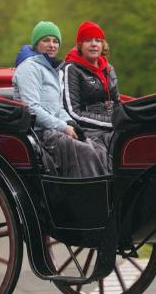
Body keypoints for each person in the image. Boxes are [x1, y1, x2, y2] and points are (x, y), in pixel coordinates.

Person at [12, 21, 107, 177]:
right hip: (39, 132)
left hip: (55, 128)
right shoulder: (29, 68)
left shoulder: (54, 69)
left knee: (98, 148)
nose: (52, 45)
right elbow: (32, 108)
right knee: (86, 151)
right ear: (36, 43)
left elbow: (58, 108)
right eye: (46, 40)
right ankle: (88, 195)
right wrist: (63, 127)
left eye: (55, 41)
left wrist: (71, 124)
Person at [59, 21, 119, 169]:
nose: (94, 44)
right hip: (89, 130)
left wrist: (122, 119)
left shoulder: (109, 68)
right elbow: (73, 112)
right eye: (88, 40)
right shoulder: (71, 69)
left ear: (102, 45)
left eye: (98, 40)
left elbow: (117, 102)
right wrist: (111, 123)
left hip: (112, 125)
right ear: (80, 45)